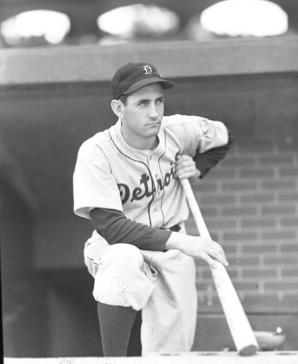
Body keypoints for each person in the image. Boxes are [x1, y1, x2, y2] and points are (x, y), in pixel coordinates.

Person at [73, 62, 233, 357]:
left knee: (171, 355)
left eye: (159, 101)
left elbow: (223, 137)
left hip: (173, 252)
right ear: (118, 108)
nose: (154, 112)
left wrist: (198, 168)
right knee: (124, 258)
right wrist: (185, 242)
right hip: (114, 244)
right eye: (143, 103)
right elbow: (111, 226)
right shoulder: (95, 153)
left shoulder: (179, 129)